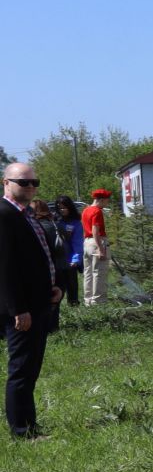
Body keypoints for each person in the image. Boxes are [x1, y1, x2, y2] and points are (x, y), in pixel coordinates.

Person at [1, 164, 63, 438]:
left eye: (34, 182)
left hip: (39, 302)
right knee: (22, 369)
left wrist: (54, 287)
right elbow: (5, 267)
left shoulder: (26, 214)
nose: (30, 187)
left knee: (30, 367)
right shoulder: (4, 215)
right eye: (23, 182)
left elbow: (37, 258)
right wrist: (18, 309)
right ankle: (22, 430)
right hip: (21, 310)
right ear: (6, 183)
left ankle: (29, 424)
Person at [29, 200, 68, 334]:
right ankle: (54, 326)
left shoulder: (34, 226)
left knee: (45, 297)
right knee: (57, 297)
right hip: (60, 264)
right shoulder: (55, 224)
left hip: (44, 266)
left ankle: (44, 326)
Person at [79, 187, 112, 306]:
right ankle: (98, 301)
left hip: (87, 242)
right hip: (97, 241)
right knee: (99, 272)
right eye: (107, 200)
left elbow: (85, 229)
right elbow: (95, 230)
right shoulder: (97, 211)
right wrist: (100, 249)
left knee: (88, 273)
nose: (108, 203)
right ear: (101, 200)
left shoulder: (86, 210)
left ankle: (88, 300)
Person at [53, 196, 83, 308]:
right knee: (58, 287)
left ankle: (74, 306)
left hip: (70, 260)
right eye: (59, 208)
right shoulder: (54, 221)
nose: (62, 210)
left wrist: (75, 259)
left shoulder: (75, 223)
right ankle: (56, 309)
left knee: (72, 286)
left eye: (64, 207)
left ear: (70, 207)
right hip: (56, 260)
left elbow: (78, 243)